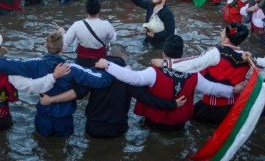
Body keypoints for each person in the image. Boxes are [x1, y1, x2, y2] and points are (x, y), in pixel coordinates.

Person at [0, 31, 114, 137]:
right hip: (64, 118)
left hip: (43, 115)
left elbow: (7, 64)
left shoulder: (34, 64)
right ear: (63, 48)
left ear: (46, 45)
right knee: (63, 149)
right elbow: (102, 80)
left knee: (42, 145)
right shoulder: (72, 68)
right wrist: (111, 66)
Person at [42, 44, 183, 138]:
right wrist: (173, 104)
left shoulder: (94, 72)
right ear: (125, 57)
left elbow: (74, 94)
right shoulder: (130, 77)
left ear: (107, 55)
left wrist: (50, 99)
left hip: (93, 127)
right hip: (118, 128)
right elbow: (148, 99)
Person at [97, 36, 236, 131]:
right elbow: (212, 89)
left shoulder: (153, 72)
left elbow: (133, 78)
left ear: (164, 54)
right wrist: (234, 90)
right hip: (178, 124)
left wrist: (108, 65)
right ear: (181, 54)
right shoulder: (194, 74)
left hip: (154, 122)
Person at [151, 23, 250, 125]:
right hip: (233, 106)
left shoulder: (217, 52)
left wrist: (166, 63)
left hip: (212, 106)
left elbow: (194, 63)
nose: (220, 33)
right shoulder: (249, 58)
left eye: (223, 32)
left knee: (194, 125)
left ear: (226, 40)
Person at [60, 0, 116, 68]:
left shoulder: (77, 25)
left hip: (81, 63)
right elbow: (112, 41)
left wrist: (62, 34)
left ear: (86, 10)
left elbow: (64, 44)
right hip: (100, 63)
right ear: (99, 10)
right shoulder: (106, 25)